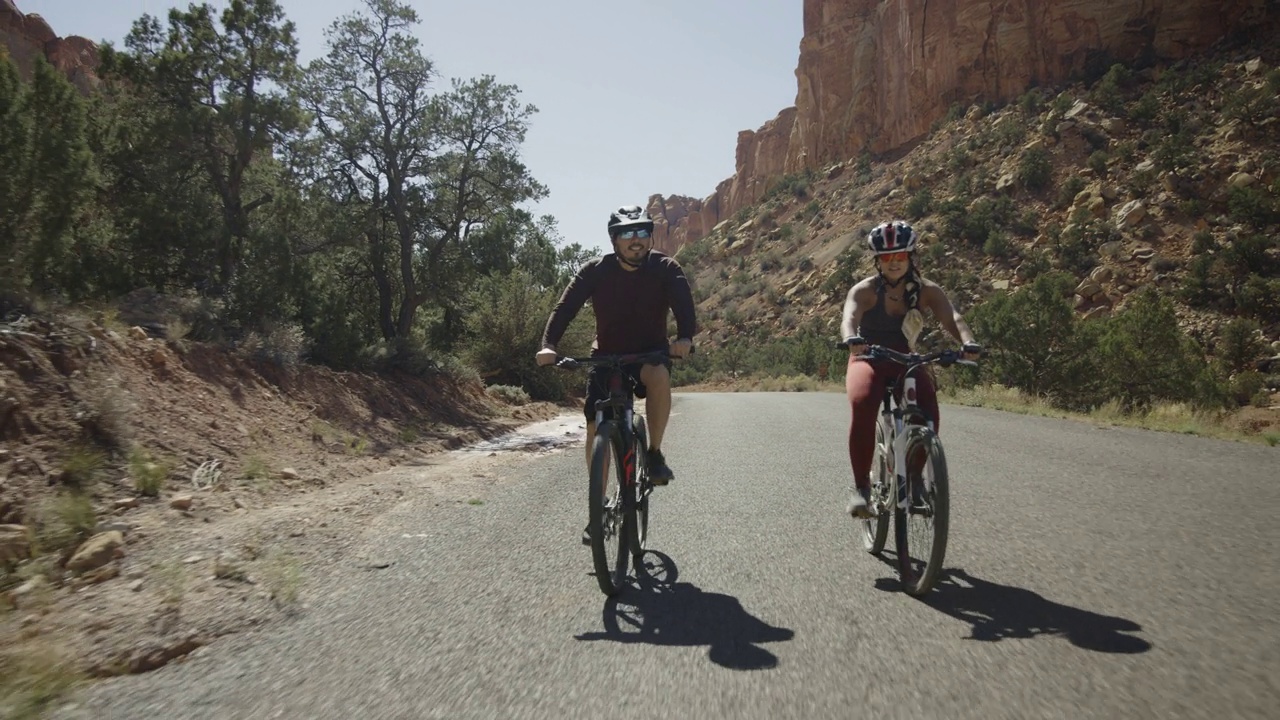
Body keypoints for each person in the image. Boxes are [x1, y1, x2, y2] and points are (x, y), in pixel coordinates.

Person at [536, 205, 697, 539]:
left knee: (659, 377)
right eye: (627, 234)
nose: (636, 240)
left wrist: (684, 338)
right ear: (614, 240)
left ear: (650, 236)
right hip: (606, 356)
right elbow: (564, 308)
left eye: (642, 232)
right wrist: (549, 344)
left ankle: (653, 454)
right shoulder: (596, 271)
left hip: (650, 353)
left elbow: (684, 305)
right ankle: (598, 506)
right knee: (596, 425)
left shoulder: (665, 268)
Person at [840, 220, 982, 518]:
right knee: (863, 402)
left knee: (927, 408)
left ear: (911, 257)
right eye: (887, 258)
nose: (894, 263)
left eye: (900, 256)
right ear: (877, 261)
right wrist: (851, 338)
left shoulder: (928, 290)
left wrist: (968, 342)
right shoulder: (865, 290)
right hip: (868, 356)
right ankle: (862, 489)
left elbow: (952, 318)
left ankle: (916, 480)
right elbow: (849, 317)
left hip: (906, 357)